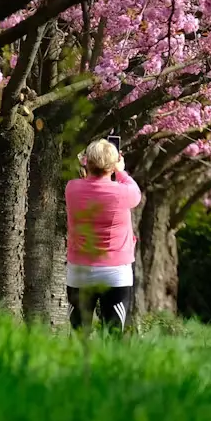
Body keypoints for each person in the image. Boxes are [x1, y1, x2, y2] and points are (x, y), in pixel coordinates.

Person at [65, 138, 142, 332]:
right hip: (115, 272)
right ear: (113, 164)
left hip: (80, 270)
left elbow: (86, 182)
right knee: (114, 335)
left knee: (79, 335)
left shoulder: (72, 188)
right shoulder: (123, 193)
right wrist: (120, 170)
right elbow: (135, 191)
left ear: (86, 162)